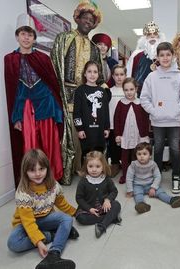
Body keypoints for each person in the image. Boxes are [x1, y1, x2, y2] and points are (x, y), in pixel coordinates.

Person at [4, 14, 64, 183]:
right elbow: (12, 91)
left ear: (34, 38)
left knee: (49, 145)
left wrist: (57, 111)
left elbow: (53, 85)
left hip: (46, 106)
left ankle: (51, 180)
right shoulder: (10, 60)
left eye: (30, 34)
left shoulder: (43, 58)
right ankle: (32, 182)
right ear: (17, 36)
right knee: (30, 146)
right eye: (23, 34)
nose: (26, 38)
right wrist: (16, 116)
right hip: (26, 109)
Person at [51, 1, 104, 184]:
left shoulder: (95, 48)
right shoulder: (63, 38)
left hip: (88, 99)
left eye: (91, 20)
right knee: (71, 135)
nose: (88, 22)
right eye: (85, 18)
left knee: (87, 135)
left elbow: (101, 78)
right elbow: (55, 67)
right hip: (66, 95)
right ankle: (68, 171)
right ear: (78, 18)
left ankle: (86, 169)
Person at [7, 149, 76, 269]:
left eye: (41, 169)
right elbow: (28, 222)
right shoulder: (23, 192)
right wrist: (39, 242)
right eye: (32, 170)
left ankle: (54, 253)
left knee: (67, 219)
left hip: (45, 219)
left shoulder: (54, 185)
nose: (38, 174)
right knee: (13, 243)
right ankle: (53, 235)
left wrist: (76, 212)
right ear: (25, 172)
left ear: (47, 169)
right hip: (24, 223)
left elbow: (62, 203)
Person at [140, 42, 180, 194]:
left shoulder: (179, 76)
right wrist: (154, 112)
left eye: (168, 54)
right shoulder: (151, 76)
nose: (165, 58)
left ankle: (176, 177)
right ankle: (156, 179)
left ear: (173, 56)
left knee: (175, 150)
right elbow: (144, 98)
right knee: (158, 150)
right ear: (157, 57)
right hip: (157, 121)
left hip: (174, 121)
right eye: (161, 55)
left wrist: (177, 110)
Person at [126, 142, 180, 214]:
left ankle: (172, 200)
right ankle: (141, 205)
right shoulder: (133, 165)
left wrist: (153, 187)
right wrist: (130, 190)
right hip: (138, 185)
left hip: (150, 184)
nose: (141, 156)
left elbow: (157, 176)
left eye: (144, 154)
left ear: (150, 155)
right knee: (137, 194)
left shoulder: (153, 164)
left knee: (160, 193)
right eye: (139, 154)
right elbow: (129, 177)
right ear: (136, 155)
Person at [75, 151, 121, 238]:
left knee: (116, 205)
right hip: (89, 209)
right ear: (86, 167)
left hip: (104, 207)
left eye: (98, 166)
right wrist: (89, 209)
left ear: (103, 167)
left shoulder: (106, 178)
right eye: (90, 166)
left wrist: (107, 200)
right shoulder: (83, 181)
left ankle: (102, 225)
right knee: (81, 218)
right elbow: (79, 198)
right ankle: (111, 218)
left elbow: (114, 191)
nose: (94, 169)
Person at [114, 78, 150, 184]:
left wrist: (145, 135)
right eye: (126, 90)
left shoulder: (141, 103)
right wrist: (117, 134)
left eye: (131, 89)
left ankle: (138, 175)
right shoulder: (121, 103)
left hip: (138, 135)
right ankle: (125, 175)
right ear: (123, 90)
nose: (129, 92)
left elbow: (145, 120)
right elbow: (116, 120)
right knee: (125, 157)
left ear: (136, 89)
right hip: (125, 135)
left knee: (137, 156)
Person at [73, 61, 110, 163]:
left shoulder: (102, 91)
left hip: (99, 130)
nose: (92, 74)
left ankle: (99, 172)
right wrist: (79, 129)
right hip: (86, 130)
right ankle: (86, 175)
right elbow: (77, 112)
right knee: (87, 153)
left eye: (95, 72)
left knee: (99, 152)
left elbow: (106, 111)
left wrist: (107, 128)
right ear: (85, 73)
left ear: (99, 74)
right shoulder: (80, 91)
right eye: (89, 71)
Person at [126, 21, 166, 92]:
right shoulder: (136, 55)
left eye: (155, 34)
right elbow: (129, 74)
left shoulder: (165, 55)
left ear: (159, 36)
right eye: (149, 34)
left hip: (161, 92)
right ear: (144, 37)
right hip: (140, 94)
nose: (152, 36)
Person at [107, 64, 127, 177]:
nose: (119, 77)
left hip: (126, 125)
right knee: (114, 147)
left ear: (125, 75)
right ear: (113, 76)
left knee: (125, 146)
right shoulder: (109, 91)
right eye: (116, 75)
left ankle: (126, 165)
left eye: (122, 74)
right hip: (112, 125)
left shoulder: (128, 90)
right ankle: (114, 164)